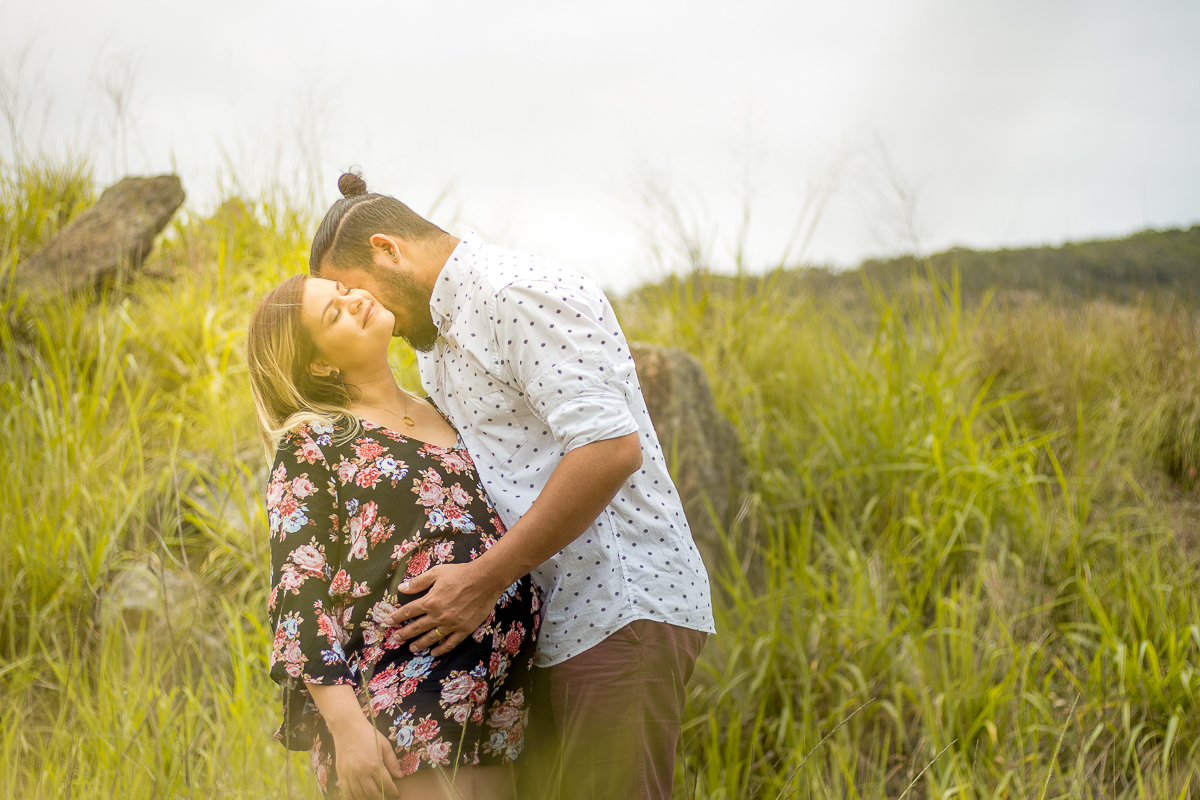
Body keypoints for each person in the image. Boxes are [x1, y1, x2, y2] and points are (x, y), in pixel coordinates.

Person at [306, 171, 716, 800]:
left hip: (616, 608)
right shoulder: (434, 338)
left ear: (389, 249)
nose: (373, 312)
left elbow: (609, 450)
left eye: (362, 291)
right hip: (548, 629)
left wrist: (484, 578)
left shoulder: (516, 293)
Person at [247, 273, 540, 800]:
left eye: (342, 289)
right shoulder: (315, 441)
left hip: (498, 702)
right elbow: (298, 592)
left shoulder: (447, 410)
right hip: (400, 706)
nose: (355, 299)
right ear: (320, 364)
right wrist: (347, 727)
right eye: (333, 313)